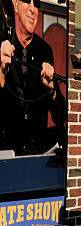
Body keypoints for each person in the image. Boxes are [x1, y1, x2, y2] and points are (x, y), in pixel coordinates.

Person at [0, 0, 65, 155]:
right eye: (26, 1)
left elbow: (60, 117)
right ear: (15, 4)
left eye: (36, 3)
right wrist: (0, 73)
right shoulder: (2, 45)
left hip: (35, 154)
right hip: (5, 152)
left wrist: (52, 90)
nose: (32, 9)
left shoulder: (45, 50)